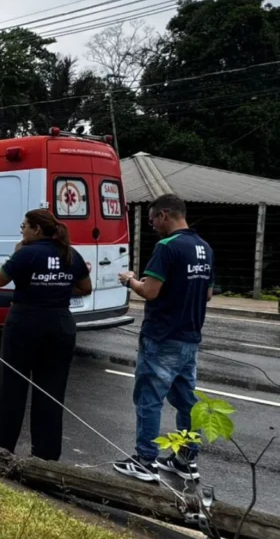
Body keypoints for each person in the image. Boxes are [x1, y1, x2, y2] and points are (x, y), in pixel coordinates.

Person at [114, 194, 213, 482]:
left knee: (149, 399)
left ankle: (146, 460)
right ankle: (186, 458)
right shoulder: (204, 247)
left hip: (162, 336)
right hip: (190, 337)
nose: (152, 226)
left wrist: (129, 280)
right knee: (186, 402)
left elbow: (150, 292)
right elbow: (206, 293)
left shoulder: (167, 247)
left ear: (164, 215)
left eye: (152, 219)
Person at [0, 209, 92, 461]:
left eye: (24, 226)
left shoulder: (26, 253)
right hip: (60, 325)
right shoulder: (71, 253)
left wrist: (17, 255)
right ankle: (46, 455)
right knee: (51, 391)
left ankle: (1, 448)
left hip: (25, 323)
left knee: (12, 387)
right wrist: (58, 291)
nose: (21, 230)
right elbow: (85, 287)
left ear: (36, 229)